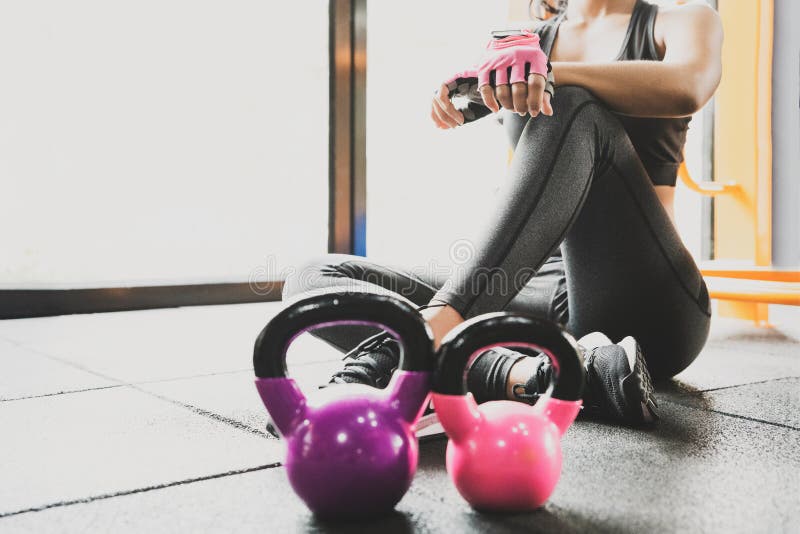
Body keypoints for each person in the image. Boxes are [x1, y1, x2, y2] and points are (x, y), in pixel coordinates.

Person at [282, 0, 722, 425]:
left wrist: (550, 73)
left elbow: (687, 84)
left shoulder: (681, 20)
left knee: (569, 104)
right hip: (541, 292)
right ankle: (535, 376)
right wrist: (479, 92)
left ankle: (435, 334)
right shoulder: (525, 41)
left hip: (646, 299)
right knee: (313, 281)